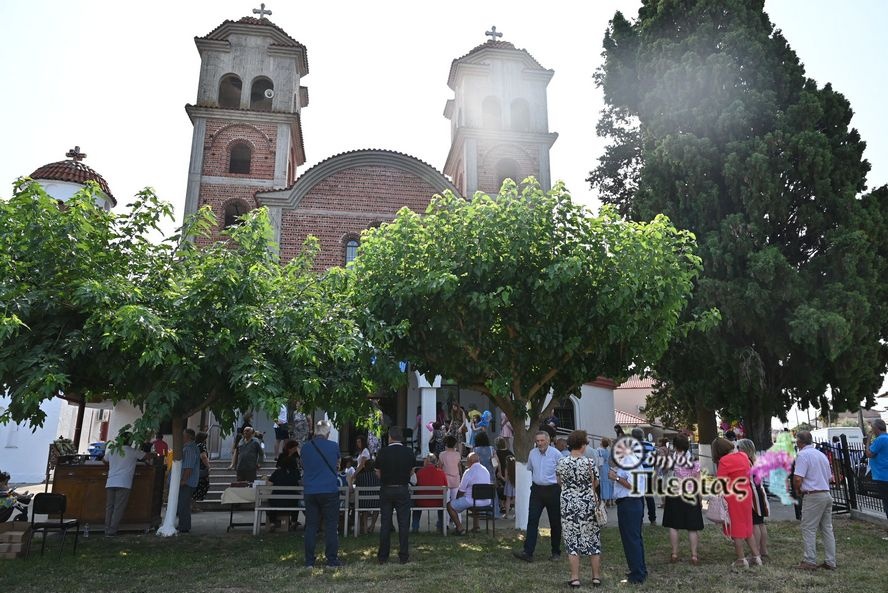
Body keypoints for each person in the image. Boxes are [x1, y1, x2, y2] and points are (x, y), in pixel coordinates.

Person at [556, 430, 602, 589]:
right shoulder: (589, 463)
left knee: (571, 539)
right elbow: (595, 483)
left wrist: (570, 491)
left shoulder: (562, 462)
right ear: (582, 445)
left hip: (568, 504)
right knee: (592, 539)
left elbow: (559, 481)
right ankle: (596, 577)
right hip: (587, 504)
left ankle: (575, 578)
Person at [513, 431, 562, 562]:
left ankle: (556, 552)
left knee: (555, 522)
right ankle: (528, 552)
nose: (539, 443)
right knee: (532, 520)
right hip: (536, 491)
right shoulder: (532, 453)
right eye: (537, 441)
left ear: (548, 440)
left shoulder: (556, 454)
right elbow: (530, 468)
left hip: (552, 490)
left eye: (542, 441)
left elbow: (562, 472)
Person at [301, 420, 342, 568]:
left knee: (311, 526)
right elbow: (337, 465)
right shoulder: (333, 446)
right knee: (331, 526)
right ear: (327, 433)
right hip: (329, 489)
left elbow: (304, 466)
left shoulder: (305, 448)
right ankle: (331, 560)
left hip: (310, 490)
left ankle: (309, 561)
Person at [793, 430, 836, 570]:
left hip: (813, 495)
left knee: (808, 528)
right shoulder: (821, 455)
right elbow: (830, 477)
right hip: (826, 493)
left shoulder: (802, 455)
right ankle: (831, 561)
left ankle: (809, 560)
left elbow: (798, 477)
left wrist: (797, 490)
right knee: (827, 529)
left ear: (800, 442)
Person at [609, 434, 647, 584]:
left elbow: (634, 485)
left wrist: (616, 478)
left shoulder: (629, 461)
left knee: (631, 539)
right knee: (634, 538)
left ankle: (637, 574)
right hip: (631, 502)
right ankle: (639, 569)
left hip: (629, 502)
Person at [716, 440, 761, 568]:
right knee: (748, 526)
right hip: (746, 494)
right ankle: (756, 556)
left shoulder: (724, 461)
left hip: (733, 496)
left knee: (736, 528)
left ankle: (741, 559)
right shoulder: (743, 456)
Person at [375, 426, 415, 564]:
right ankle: (403, 555)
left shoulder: (382, 452)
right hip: (402, 488)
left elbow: (378, 472)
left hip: (386, 488)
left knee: (385, 523)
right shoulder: (409, 452)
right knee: (404, 524)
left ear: (390, 437)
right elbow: (411, 471)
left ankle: (383, 556)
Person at [662, 433, 704, 565]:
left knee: (674, 526)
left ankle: (674, 553)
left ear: (674, 446)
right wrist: (700, 497)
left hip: (674, 493)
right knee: (692, 527)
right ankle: (694, 555)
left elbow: (666, 477)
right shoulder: (693, 460)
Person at [103, 434, 147, 536]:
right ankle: (112, 530)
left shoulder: (113, 450)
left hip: (110, 481)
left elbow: (104, 460)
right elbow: (145, 456)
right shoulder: (132, 451)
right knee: (118, 508)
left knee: (109, 507)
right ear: (130, 441)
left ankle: (106, 529)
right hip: (124, 482)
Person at [736, 439, 769, 560]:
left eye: (739, 447)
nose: (737, 450)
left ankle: (757, 551)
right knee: (760, 523)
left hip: (753, 494)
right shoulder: (757, 460)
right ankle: (763, 549)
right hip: (760, 492)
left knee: (755, 523)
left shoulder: (747, 461)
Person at [445, 452, 491, 534]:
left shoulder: (469, 472)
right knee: (474, 501)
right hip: (486, 501)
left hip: (472, 500)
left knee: (449, 505)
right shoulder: (485, 470)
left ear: (470, 462)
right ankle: (476, 527)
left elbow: (461, 490)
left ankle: (460, 528)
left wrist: (456, 500)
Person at [268, 439, 301, 530]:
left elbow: (269, 484)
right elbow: (299, 482)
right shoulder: (295, 472)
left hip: (276, 500)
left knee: (272, 499)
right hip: (291, 500)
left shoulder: (277, 473)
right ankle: (294, 521)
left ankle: (272, 523)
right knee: (296, 499)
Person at [412, 453, 448, 533]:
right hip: (437, 502)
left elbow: (415, 487)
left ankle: (415, 527)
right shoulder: (441, 472)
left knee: (416, 505)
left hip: (421, 502)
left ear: (427, 462)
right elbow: (446, 488)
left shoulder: (419, 472)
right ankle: (441, 526)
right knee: (442, 503)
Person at [177, 428, 201, 534]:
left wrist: (183, 480)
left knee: (183, 504)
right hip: (187, 481)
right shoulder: (189, 448)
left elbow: (189, 467)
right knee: (183, 504)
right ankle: (183, 525)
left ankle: (184, 526)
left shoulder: (190, 449)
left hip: (187, 482)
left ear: (188, 437)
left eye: (183, 435)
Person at [631, 428, 657, 525]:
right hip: (649, 474)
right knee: (650, 497)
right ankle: (653, 519)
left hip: (637, 475)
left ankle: (640, 519)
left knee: (639, 498)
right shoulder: (650, 445)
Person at [864, 419, 888, 519]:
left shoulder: (880, 439)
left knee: (886, 503)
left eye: (872, 428)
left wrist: (868, 440)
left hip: (882, 476)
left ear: (876, 428)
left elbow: (869, 454)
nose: (872, 431)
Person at [473, 431, 500, 517]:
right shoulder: (491, 449)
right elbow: (496, 462)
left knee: (479, 493)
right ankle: (494, 512)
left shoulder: (475, 450)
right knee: (492, 494)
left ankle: (480, 512)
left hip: (478, 475)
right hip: (490, 475)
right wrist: (494, 470)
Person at [354, 459, 381, 534]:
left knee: (364, 511)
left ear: (365, 466)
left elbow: (356, 486)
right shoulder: (378, 477)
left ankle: (365, 529)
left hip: (363, 502)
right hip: (376, 502)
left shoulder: (360, 477)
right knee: (376, 509)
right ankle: (372, 526)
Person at [496, 437, 516, 518]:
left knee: (506, 497)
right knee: (515, 498)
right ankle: (515, 513)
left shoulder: (496, 453)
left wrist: (500, 475)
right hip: (513, 480)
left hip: (505, 480)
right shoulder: (510, 453)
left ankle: (504, 509)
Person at [440, 434, 462, 504]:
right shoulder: (458, 454)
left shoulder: (442, 454)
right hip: (456, 479)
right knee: (454, 501)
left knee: (446, 501)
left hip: (445, 479)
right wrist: (461, 476)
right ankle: (455, 515)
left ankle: (446, 515)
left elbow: (439, 467)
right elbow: (459, 467)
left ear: (445, 444)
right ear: (454, 444)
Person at [191, 431, 211, 507]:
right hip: (201, 468)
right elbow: (203, 457)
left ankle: (192, 505)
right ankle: (193, 505)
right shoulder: (202, 446)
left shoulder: (194, 445)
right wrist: (208, 466)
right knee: (201, 486)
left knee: (195, 487)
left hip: (194, 468)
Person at [597, 438, 614, 507]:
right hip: (607, 467)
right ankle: (609, 500)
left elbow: (599, 461)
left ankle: (603, 500)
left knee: (603, 483)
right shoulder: (607, 451)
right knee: (608, 483)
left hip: (602, 468)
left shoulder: (599, 450)